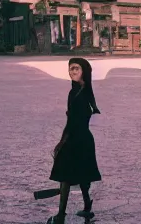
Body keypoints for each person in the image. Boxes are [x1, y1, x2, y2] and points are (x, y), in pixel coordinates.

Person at [46, 58, 101, 224]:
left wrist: (62, 142)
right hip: (84, 138)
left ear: (83, 71)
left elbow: (73, 121)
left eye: (76, 69)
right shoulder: (84, 90)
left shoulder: (77, 92)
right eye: (70, 69)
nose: (72, 72)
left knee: (65, 176)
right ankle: (87, 205)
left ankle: (61, 216)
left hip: (75, 138)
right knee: (82, 173)